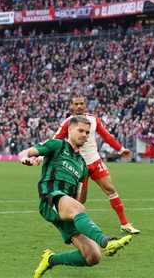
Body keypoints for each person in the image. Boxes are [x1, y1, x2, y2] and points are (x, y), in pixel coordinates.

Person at [18, 116, 133, 278]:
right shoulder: (57, 145)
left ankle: (51, 260)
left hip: (68, 209)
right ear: (70, 130)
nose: (85, 135)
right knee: (78, 209)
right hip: (50, 198)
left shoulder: (82, 165)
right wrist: (26, 159)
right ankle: (107, 242)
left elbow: (79, 199)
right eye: (80, 130)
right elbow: (25, 152)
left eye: (87, 132)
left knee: (93, 256)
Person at [52, 96, 140, 234]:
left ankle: (125, 224)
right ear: (72, 106)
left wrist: (121, 149)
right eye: (76, 104)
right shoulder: (68, 123)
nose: (79, 106)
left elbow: (106, 136)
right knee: (80, 200)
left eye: (82, 103)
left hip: (95, 161)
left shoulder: (93, 120)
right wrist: (41, 156)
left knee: (110, 189)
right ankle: (70, 226)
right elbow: (55, 140)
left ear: (86, 105)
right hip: (78, 166)